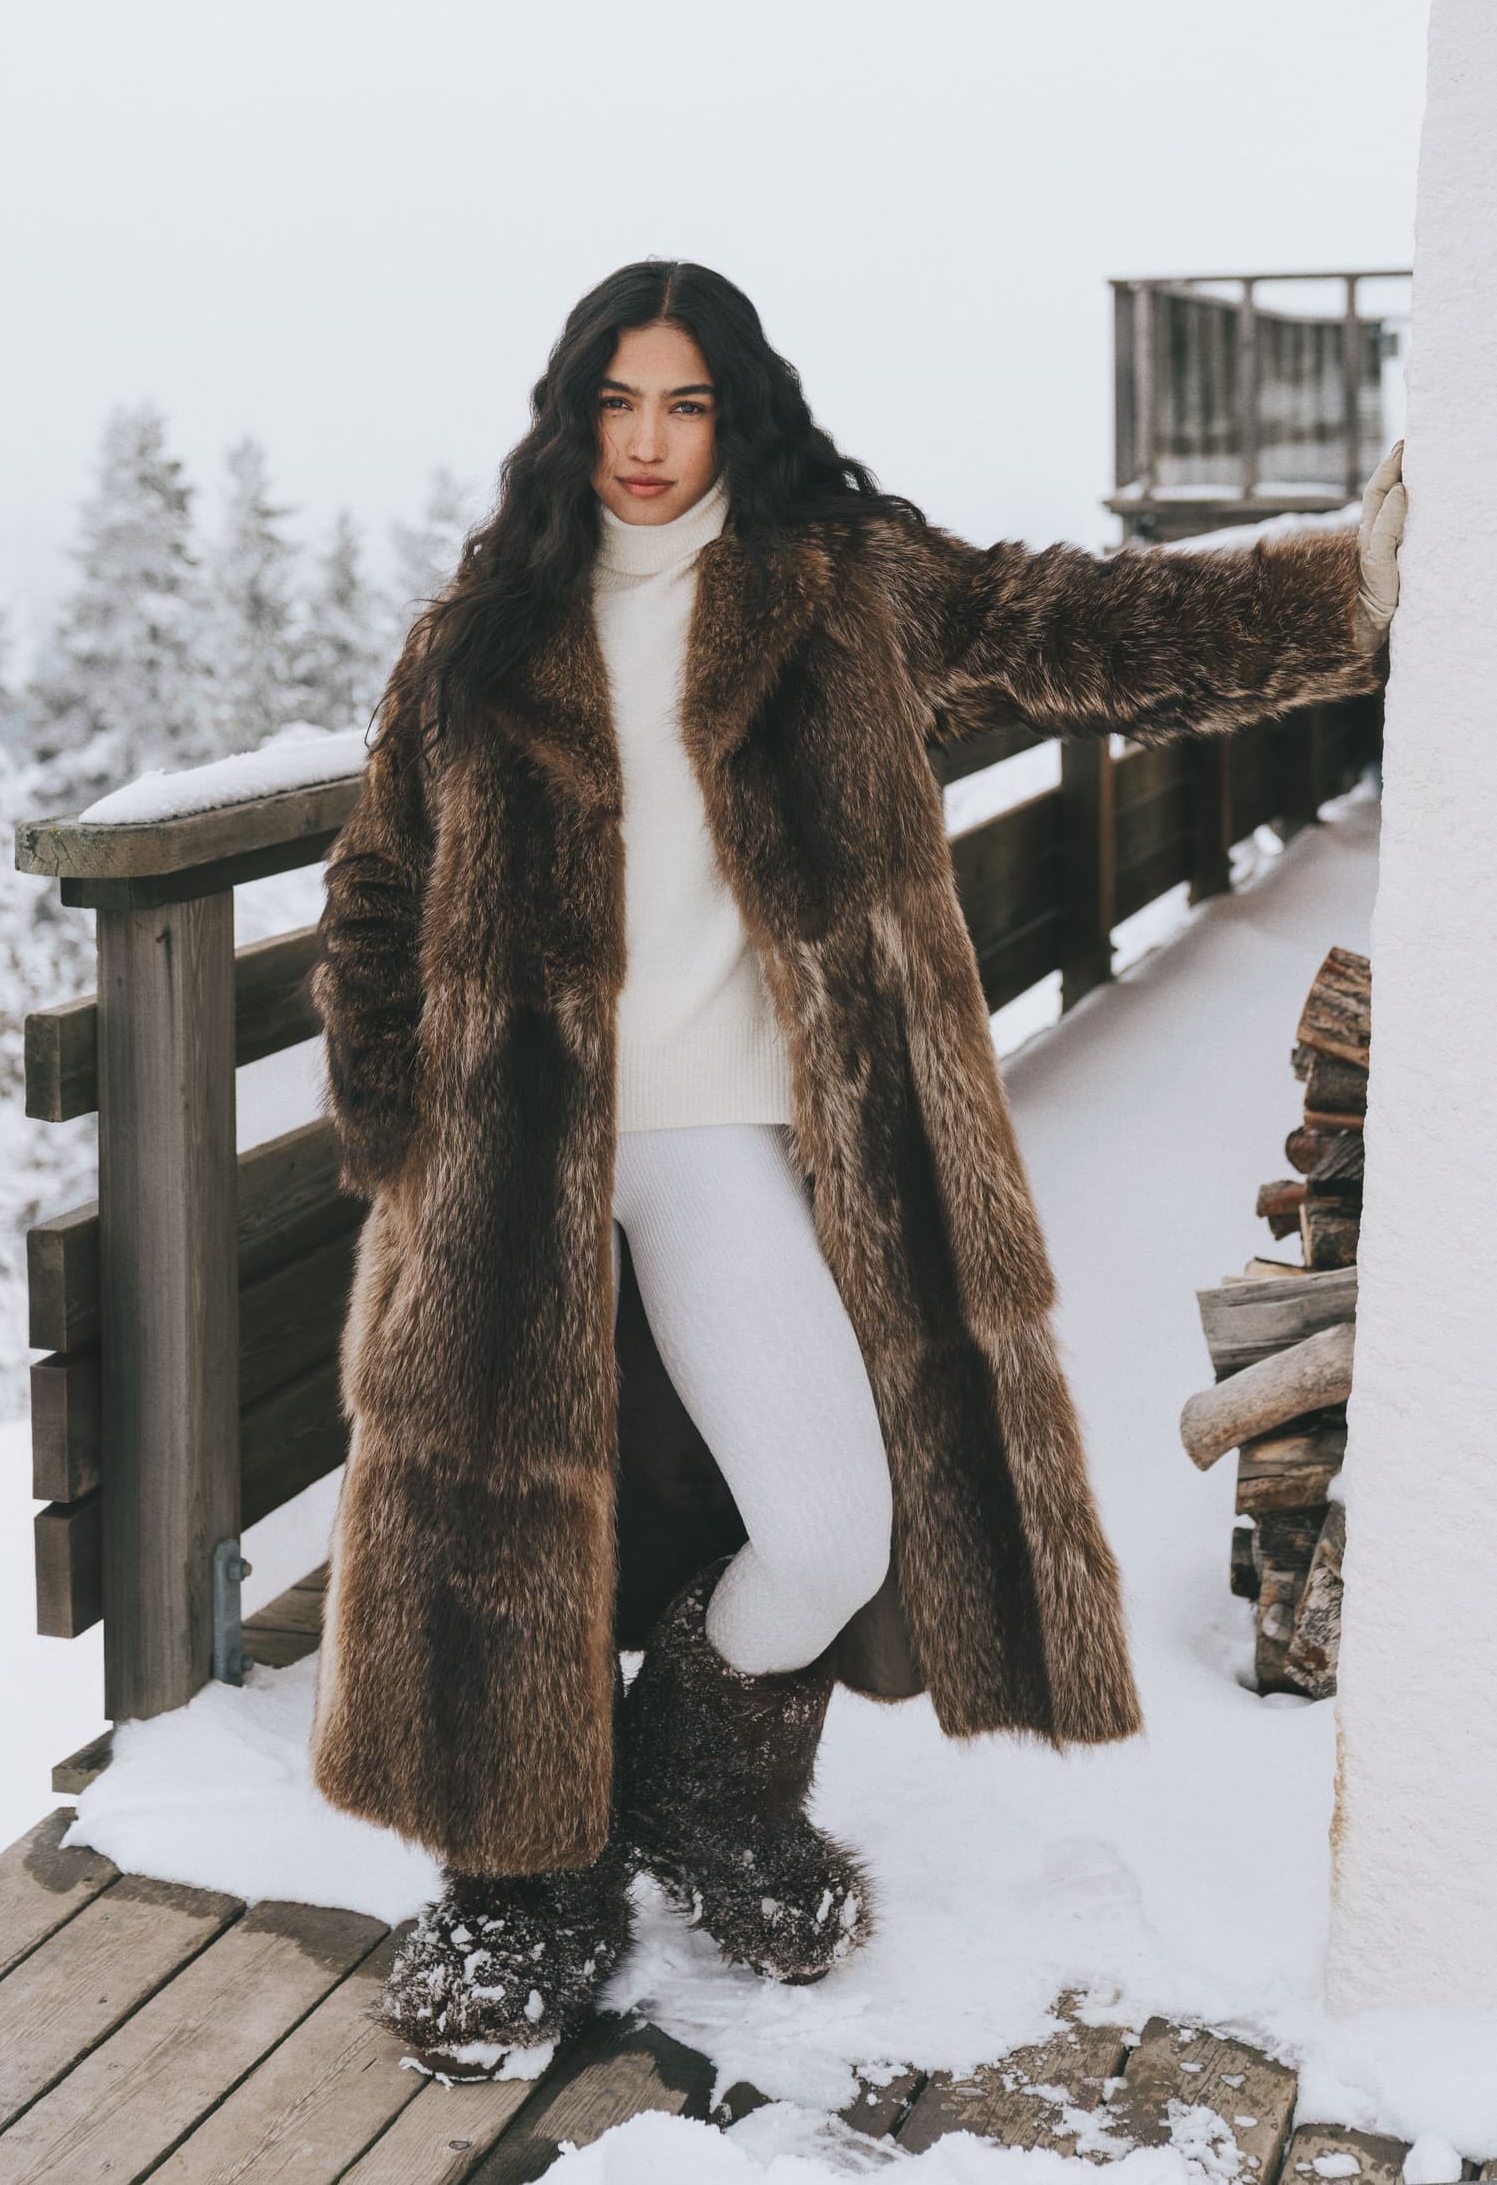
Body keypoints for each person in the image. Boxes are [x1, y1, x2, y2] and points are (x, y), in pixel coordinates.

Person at [306, 260, 1406, 2076]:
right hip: (511, 1163)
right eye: (616, 404)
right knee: (498, 1546)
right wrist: (395, 1120)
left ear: (738, 413)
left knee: (825, 1524)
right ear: (569, 416)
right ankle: (515, 1884)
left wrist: (1347, 587)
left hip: (735, 1144)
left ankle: (695, 1788)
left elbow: (1088, 626)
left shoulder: (842, 587)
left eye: (686, 405)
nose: (648, 446)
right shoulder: (478, 636)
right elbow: (373, 889)